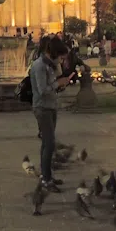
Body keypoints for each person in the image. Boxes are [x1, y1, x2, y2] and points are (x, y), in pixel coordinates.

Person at [29, 35, 74, 190]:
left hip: (51, 106)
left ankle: (46, 175)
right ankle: (46, 179)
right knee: (49, 144)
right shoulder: (39, 66)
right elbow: (42, 90)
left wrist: (61, 84)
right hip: (42, 108)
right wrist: (57, 83)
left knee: (47, 144)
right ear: (53, 53)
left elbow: (51, 87)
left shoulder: (49, 65)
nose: (61, 61)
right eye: (61, 58)